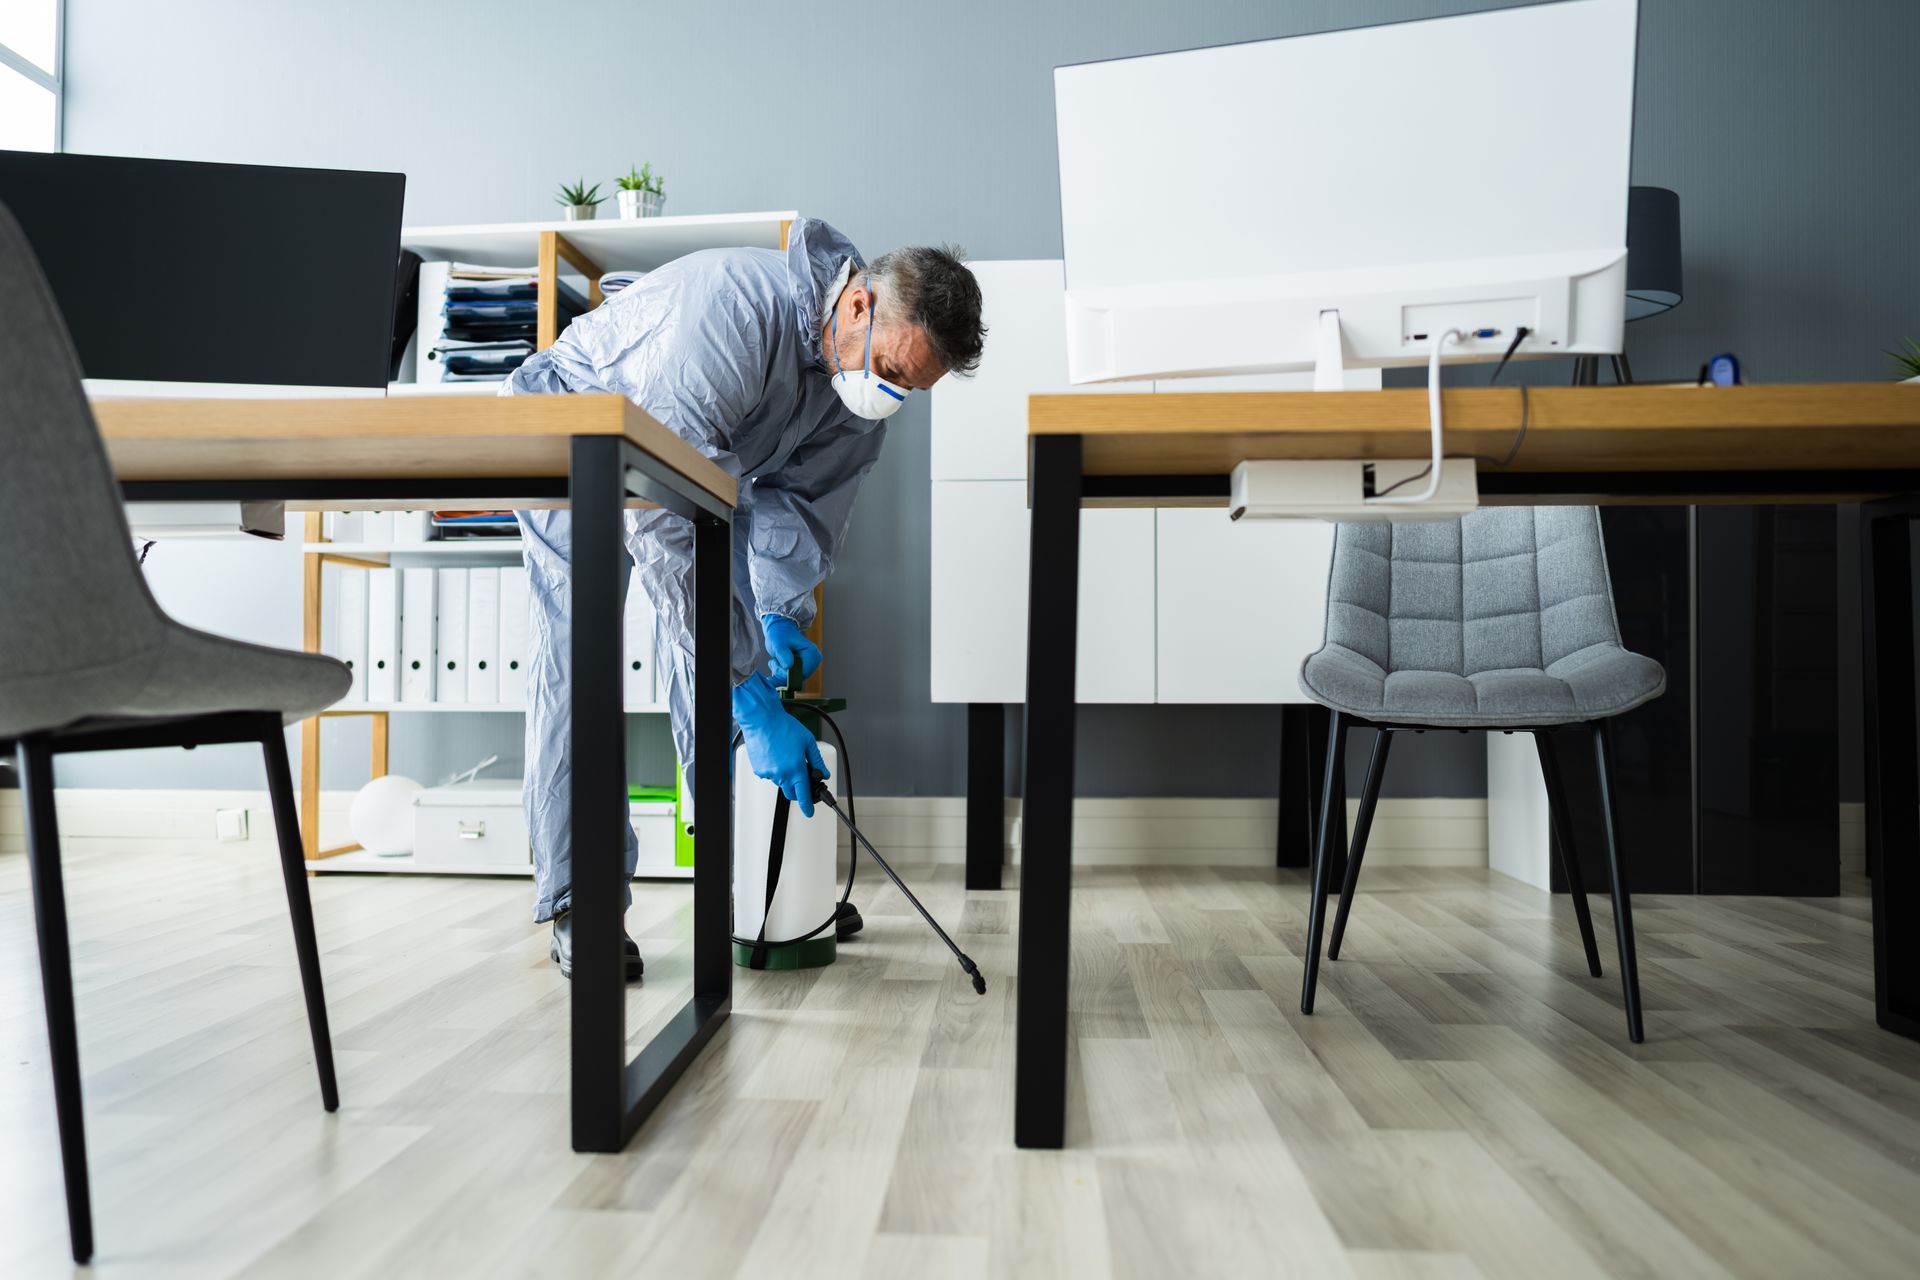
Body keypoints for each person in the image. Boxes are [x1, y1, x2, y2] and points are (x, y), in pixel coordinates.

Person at [502, 218, 985, 979]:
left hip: (675, 466)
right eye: (892, 369)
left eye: (909, 389)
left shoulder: (856, 394)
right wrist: (751, 697)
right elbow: (672, 537)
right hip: (573, 424)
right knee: (582, 655)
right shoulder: (731, 314)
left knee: (729, 652)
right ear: (857, 305)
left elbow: (800, 512)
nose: (889, 395)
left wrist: (775, 614)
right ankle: (582, 900)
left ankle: (750, 880)